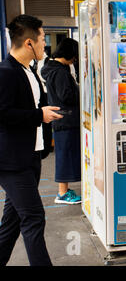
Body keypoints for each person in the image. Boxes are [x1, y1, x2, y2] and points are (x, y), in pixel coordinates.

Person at [0, 14, 63, 266]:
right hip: (12, 162)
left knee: (12, 221)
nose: (44, 45)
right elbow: (2, 114)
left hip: (31, 157)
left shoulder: (29, 71)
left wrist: (44, 115)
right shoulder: (6, 72)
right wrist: (39, 114)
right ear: (29, 42)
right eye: (41, 39)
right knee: (34, 218)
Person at [41, 38, 82, 204]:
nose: (75, 60)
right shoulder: (60, 72)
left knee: (65, 155)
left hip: (61, 119)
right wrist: (80, 93)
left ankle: (64, 190)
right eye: (74, 56)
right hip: (65, 119)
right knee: (65, 156)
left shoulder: (53, 68)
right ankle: (62, 193)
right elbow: (66, 95)